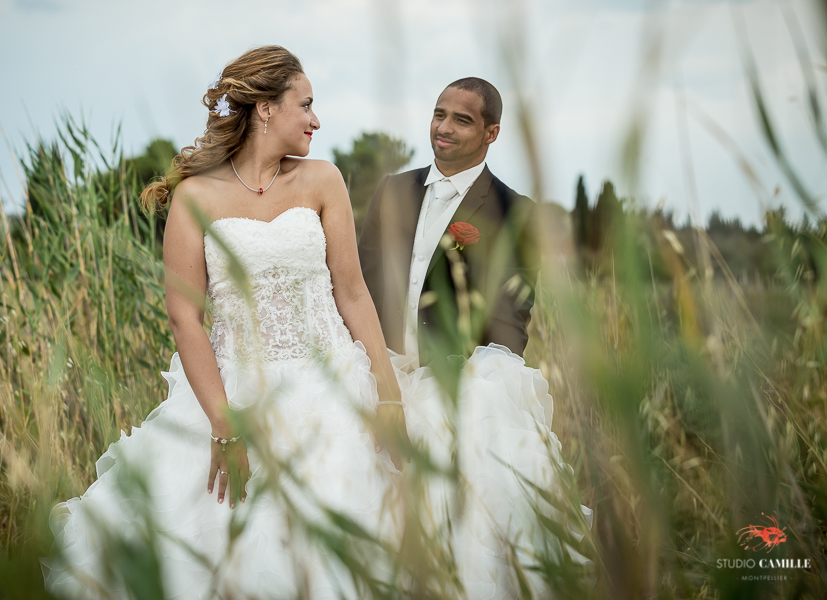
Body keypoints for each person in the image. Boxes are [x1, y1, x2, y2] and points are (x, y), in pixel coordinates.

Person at [42, 46, 587, 599]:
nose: (316, 119)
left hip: (331, 386)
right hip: (232, 390)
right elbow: (185, 318)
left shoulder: (323, 179)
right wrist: (222, 420)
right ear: (266, 111)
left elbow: (353, 293)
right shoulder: (194, 197)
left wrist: (388, 393)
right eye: (306, 105)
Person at [358, 78, 539, 369]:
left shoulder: (516, 212)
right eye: (439, 115)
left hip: (461, 383)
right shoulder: (392, 191)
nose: (443, 128)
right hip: (381, 372)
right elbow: (363, 285)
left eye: (462, 120)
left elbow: (510, 319)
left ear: (491, 133)